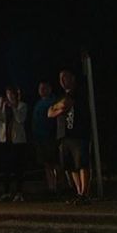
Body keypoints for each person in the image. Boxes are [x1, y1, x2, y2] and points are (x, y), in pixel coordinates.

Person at [48, 69, 91, 205]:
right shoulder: (61, 95)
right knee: (71, 166)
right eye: (60, 78)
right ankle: (78, 192)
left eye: (65, 77)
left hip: (79, 133)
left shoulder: (78, 92)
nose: (62, 81)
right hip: (65, 134)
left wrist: (58, 108)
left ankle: (85, 193)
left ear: (72, 78)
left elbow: (66, 103)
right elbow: (50, 112)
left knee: (82, 163)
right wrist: (59, 109)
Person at [0, 86, 28, 202]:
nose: (9, 96)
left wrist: (13, 107)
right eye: (7, 94)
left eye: (11, 94)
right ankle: (6, 192)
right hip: (5, 140)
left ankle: (19, 192)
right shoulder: (4, 107)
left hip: (18, 141)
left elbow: (20, 119)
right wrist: (0, 105)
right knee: (6, 168)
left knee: (18, 167)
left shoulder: (22, 106)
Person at [32, 81, 60, 196]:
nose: (42, 90)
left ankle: (59, 186)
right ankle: (51, 187)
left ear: (50, 89)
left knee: (55, 163)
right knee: (47, 164)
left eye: (44, 88)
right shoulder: (39, 103)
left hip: (50, 137)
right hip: (40, 138)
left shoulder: (53, 101)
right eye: (40, 88)